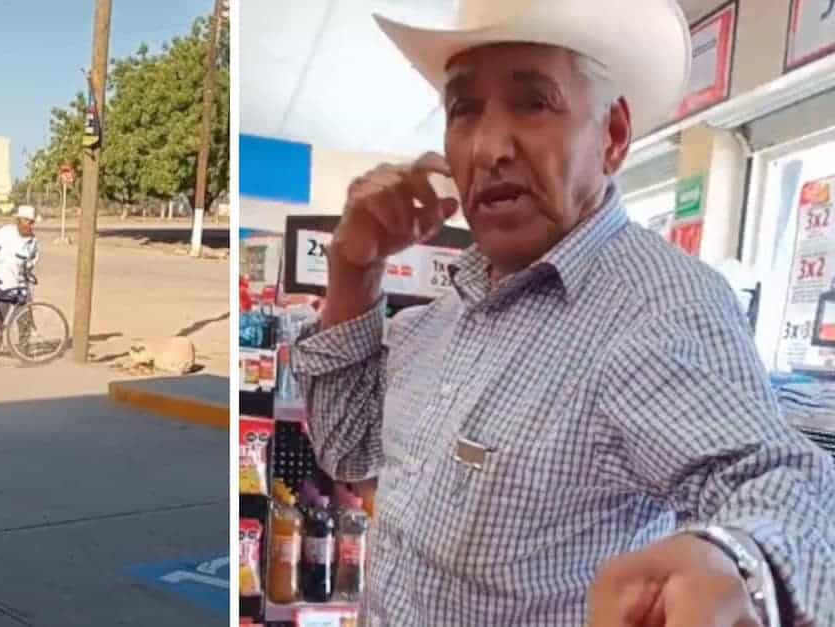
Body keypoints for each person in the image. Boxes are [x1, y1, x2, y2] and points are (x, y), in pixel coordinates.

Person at [290, 1, 835, 625]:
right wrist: (353, 271)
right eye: (464, 109)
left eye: (534, 101)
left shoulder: (656, 309)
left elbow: (777, 479)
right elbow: (348, 451)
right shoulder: (444, 313)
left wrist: (740, 565)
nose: (488, 147)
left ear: (613, 136)